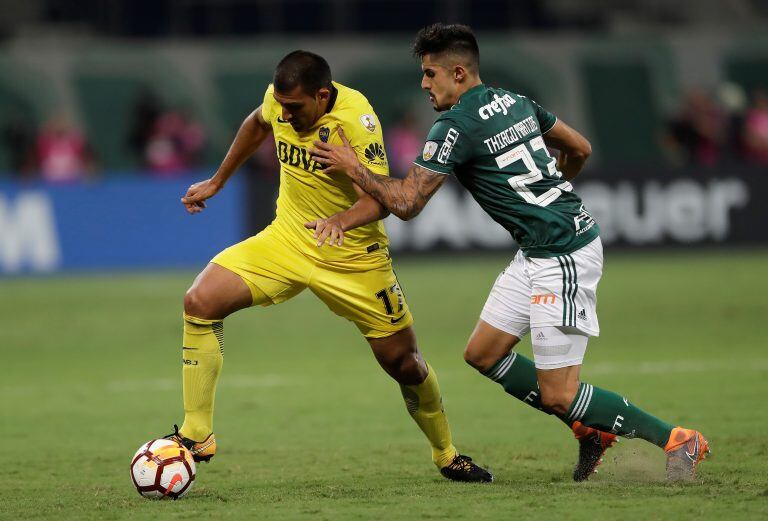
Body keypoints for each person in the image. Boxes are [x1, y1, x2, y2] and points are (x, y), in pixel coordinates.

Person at [310, 24, 709, 482]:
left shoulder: (455, 125)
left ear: (458, 73)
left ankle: (679, 439)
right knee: (483, 353)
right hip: (540, 248)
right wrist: (554, 190)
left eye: (429, 74)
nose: (424, 84)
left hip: (564, 254)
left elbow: (406, 204)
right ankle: (589, 431)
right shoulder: (517, 102)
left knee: (558, 392)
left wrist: (351, 166)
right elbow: (579, 147)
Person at [165, 50, 492, 483]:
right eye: (281, 104)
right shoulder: (280, 102)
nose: (285, 113)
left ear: (322, 96)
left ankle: (447, 454)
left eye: (295, 107)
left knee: (405, 364)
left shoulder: (357, 122)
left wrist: (341, 219)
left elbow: (384, 200)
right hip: (288, 239)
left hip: (354, 256)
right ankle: (197, 432)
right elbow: (257, 122)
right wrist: (218, 180)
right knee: (200, 302)